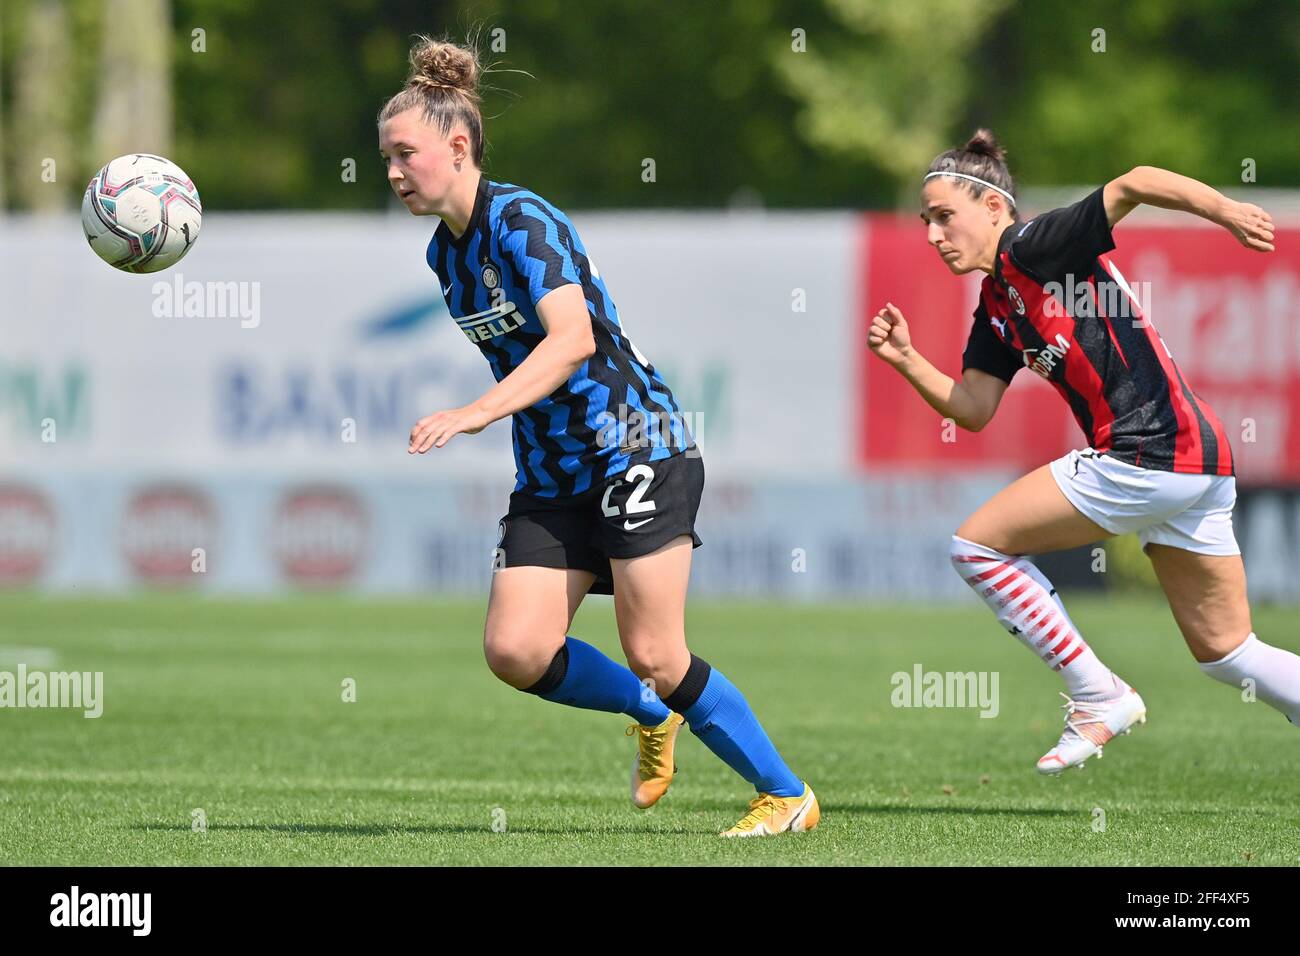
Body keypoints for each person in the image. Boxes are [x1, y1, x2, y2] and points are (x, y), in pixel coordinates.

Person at [380, 36, 818, 834]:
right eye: (386, 158)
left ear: (458, 144)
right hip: (553, 473)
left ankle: (787, 796)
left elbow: (573, 340)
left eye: (405, 154)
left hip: (635, 446)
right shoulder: (444, 254)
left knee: (658, 649)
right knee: (515, 650)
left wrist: (475, 412)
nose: (394, 172)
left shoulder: (523, 219)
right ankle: (651, 713)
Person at [868, 128, 1297, 772]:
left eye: (945, 216)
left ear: (993, 207)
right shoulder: (995, 308)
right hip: (1196, 461)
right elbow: (973, 409)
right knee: (1227, 653)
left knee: (976, 547)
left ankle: (1098, 694)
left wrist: (1227, 212)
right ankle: (1102, 694)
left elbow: (1135, 181)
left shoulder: (1032, 247)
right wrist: (905, 359)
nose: (933, 234)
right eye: (927, 220)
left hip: (1146, 450)